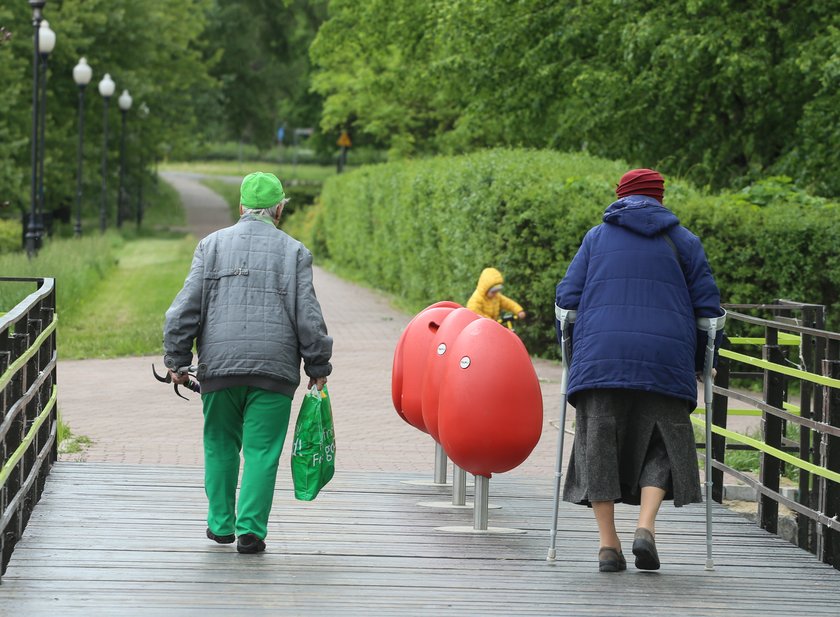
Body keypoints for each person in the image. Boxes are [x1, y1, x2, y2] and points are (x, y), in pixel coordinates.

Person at [555, 168, 723, 572]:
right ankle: (645, 527)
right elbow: (710, 315)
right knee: (662, 443)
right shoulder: (684, 241)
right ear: (660, 198)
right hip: (667, 359)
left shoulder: (596, 238)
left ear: (620, 196)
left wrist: (570, 352)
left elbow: (566, 303)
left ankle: (607, 545)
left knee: (598, 444)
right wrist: (704, 362)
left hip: (601, 358)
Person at [163, 171, 333, 554]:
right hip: (274, 372)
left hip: (219, 368)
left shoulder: (212, 246)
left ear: (241, 207)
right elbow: (308, 315)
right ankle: (251, 530)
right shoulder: (294, 252)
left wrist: (177, 359)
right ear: (279, 209)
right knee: (262, 450)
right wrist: (317, 366)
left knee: (220, 443)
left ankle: (220, 525)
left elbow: (184, 310)